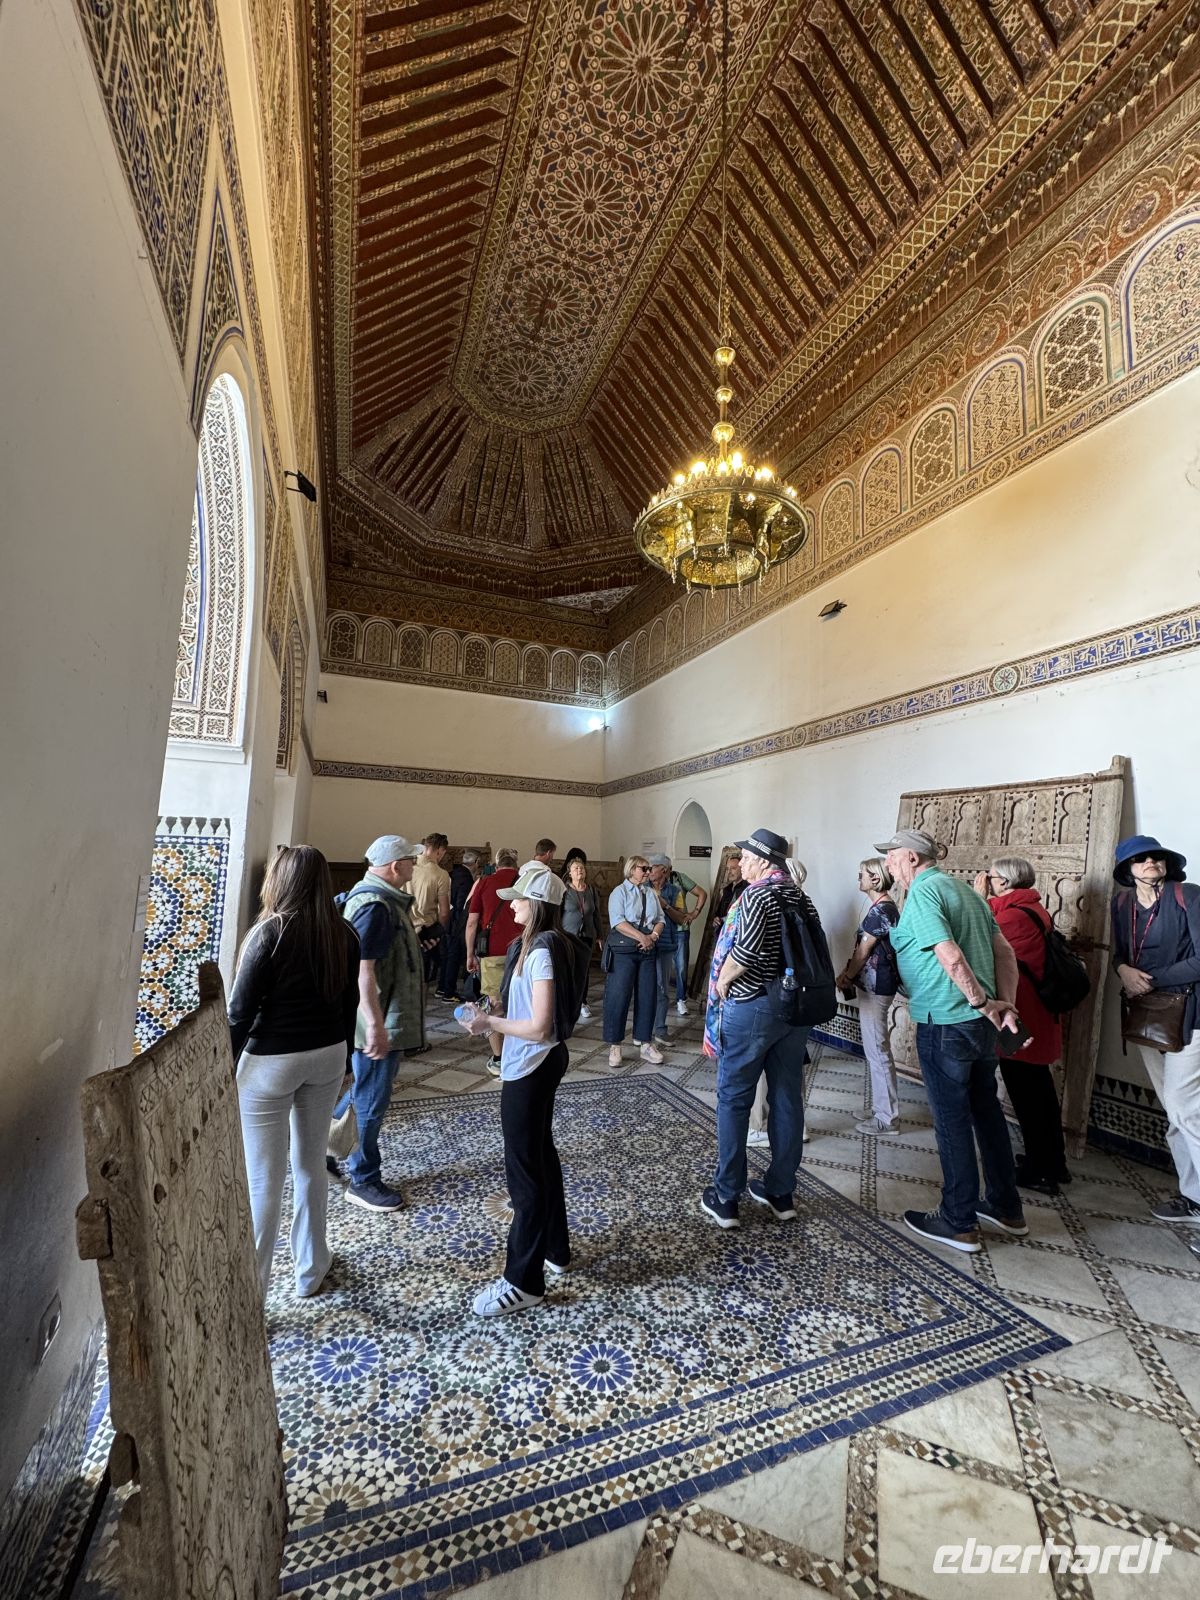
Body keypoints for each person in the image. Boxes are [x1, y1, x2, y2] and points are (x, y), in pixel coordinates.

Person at [878, 828, 1026, 1253]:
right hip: (980, 1024)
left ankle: (958, 1219)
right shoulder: (967, 892)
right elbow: (1005, 954)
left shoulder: (925, 893)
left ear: (911, 857)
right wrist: (1004, 1005)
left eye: (892, 856)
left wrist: (980, 1001)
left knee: (951, 1120)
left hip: (947, 1021)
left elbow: (949, 954)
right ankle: (1005, 1206)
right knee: (986, 1112)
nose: (888, 864)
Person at [228, 846, 361, 1297]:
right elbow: (350, 1004)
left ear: (279, 881)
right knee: (310, 1164)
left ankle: (253, 1293)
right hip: (327, 1054)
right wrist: (346, 1061)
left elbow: (239, 1013)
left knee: (264, 1181)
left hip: (271, 1062)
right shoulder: (344, 934)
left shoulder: (269, 933)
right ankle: (310, 1268)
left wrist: (221, 1072)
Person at [458, 866, 572, 1316]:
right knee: (541, 1156)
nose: (512, 905)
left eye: (519, 899)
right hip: (537, 1061)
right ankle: (555, 1248)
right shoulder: (535, 944)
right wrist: (496, 1008)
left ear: (537, 904)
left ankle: (524, 1282)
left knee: (524, 1174)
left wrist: (489, 1023)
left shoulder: (541, 950)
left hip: (533, 1065)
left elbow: (540, 1026)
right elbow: (530, 1008)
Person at [701, 829, 821, 1228]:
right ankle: (780, 1191)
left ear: (764, 861)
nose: (740, 863)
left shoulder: (756, 896)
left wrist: (721, 981)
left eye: (746, 857)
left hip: (753, 1007)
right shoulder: (799, 896)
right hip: (794, 1009)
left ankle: (726, 1197)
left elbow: (746, 952)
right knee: (787, 1097)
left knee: (735, 1098)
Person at [1110, 835, 1200, 1225]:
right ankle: (1192, 1197)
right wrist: (1123, 971)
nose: (1150, 862)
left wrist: (1149, 980)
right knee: (1175, 1112)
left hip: (1191, 1015)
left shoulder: (1188, 896)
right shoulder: (1121, 905)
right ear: (1127, 870)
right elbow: (1119, 954)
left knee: (1185, 1109)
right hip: (1149, 1018)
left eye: (1155, 857)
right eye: (1140, 859)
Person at [332, 835, 424, 1212]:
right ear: (395, 866)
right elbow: (363, 971)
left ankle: (326, 1145)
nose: (414, 865)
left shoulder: (382, 900)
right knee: (371, 1100)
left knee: (365, 1089)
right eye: (410, 860)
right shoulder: (376, 906)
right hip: (377, 1019)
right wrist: (375, 1024)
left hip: (379, 1016)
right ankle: (363, 1179)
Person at [970, 858, 1069, 1195]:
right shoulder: (1030, 908)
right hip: (1034, 1012)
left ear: (1005, 882)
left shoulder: (1011, 915)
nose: (987, 880)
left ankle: (1043, 1171)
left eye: (992, 876)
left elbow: (979, 943)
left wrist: (978, 898)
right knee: (1038, 1091)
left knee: (1029, 1095)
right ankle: (1051, 1162)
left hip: (1023, 1016)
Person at [836, 859, 902, 1137]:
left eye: (862, 874)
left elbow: (864, 951)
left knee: (878, 1050)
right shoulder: (880, 908)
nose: (858, 878)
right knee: (874, 1050)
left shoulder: (883, 910)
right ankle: (880, 1108)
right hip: (871, 986)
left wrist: (848, 975)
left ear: (876, 879)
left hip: (878, 987)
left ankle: (887, 1118)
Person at [603, 855, 665, 1067]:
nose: (648, 872)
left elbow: (660, 919)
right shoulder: (619, 892)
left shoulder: (650, 893)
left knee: (648, 996)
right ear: (631, 870)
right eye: (643, 868)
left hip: (647, 950)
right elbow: (618, 921)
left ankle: (645, 1043)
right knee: (618, 996)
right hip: (624, 951)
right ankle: (615, 1045)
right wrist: (642, 937)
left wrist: (653, 937)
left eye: (649, 869)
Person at [465, 847, 521, 1075]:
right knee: (521, 1003)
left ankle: (498, 1059)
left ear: (496, 865)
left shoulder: (484, 882)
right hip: (522, 950)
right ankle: (519, 1054)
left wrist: (469, 954)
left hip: (493, 953)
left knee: (494, 1005)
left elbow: (472, 922)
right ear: (516, 865)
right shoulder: (524, 880)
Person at [648, 854, 684, 1045]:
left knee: (662, 987)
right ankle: (643, 1031)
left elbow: (681, 918)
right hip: (644, 943)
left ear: (663, 869)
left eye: (652, 867)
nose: (649, 871)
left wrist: (666, 905)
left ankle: (660, 1030)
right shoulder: (642, 888)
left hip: (665, 944)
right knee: (645, 986)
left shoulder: (675, 891)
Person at [561, 854, 601, 1021]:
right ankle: (568, 1001)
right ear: (569, 872)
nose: (579, 871)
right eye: (576, 868)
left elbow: (596, 914)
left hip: (587, 936)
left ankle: (583, 1002)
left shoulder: (591, 890)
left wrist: (599, 935)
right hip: (568, 936)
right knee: (568, 969)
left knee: (583, 971)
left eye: (582, 868)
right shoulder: (564, 890)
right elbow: (558, 914)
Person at [435, 847, 478, 1001]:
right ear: (476, 862)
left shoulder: (453, 873)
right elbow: (462, 904)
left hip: (447, 920)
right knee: (454, 957)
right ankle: (449, 992)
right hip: (457, 923)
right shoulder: (466, 879)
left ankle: (442, 988)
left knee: (447, 956)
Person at [409, 833, 451, 984]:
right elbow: (444, 912)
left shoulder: (407, 866)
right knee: (422, 981)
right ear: (439, 850)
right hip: (425, 932)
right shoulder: (440, 874)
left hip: (402, 930)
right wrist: (439, 932)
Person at [668, 861, 708, 1015]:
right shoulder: (651, 880)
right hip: (660, 930)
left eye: (663, 868)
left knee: (681, 967)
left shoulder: (679, 878)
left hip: (680, 929)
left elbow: (702, 893)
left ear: (669, 869)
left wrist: (695, 913)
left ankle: (681, 999)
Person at [711, 854, 746, 929]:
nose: (729, 872)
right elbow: (719, 912)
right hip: (723, 930)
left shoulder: (747, 889)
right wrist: (715, 919)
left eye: (733, 868)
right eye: (727, 869)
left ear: (742, 868)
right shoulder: (727, 888)